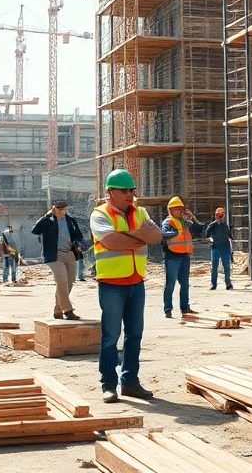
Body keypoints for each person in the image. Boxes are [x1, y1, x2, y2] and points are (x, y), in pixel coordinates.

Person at [91, 169, 161, 403]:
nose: (129, 195)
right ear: (110, 191)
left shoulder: (140, 212)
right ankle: (108, 384)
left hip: (136, 281)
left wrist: (126, 237)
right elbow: (111, 241)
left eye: (131, 190)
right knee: (110, 336)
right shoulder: (99, 215)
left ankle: (130, 382)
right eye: (123, 191)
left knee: (135, 334)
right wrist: (139, 236)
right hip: (111, 283)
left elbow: (157, 235)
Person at [32, 199, 85, 320]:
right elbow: (35, 230)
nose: (62, 211)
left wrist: (81, 243)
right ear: (54, 209)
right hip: (55, 255)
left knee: (70, 282)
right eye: (59, 209)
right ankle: (68, 310)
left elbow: (77, 234)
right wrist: (46, 216)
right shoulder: (48, 221)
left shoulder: (70, 220)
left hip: (70, 254)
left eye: (64, 209)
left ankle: (58, 309)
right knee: (62, 281)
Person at [160, 196, 204, 318]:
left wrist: (193, 218)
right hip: (172, 257)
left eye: (181, 209)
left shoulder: (185, 222)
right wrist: (175, 233)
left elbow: (199, 229)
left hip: (184, 256)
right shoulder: (168, 222)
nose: (180, 211)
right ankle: (167, 309)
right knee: (170, 284)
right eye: (177, 209)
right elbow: (164, 235)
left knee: (185, 284)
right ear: (171, 210)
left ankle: (185, 308)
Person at [203, 207, 233, 290]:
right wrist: (210, 240)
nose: (220, 217)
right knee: (214, 267)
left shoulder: (225, 225)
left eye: (221, 215)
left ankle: (228, 283)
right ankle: (213, 284)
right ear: (215, 216)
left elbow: (229, 235)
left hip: (225, 247)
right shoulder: (212, 225)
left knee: (226, 266)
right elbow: (206, 235)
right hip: (215, 247)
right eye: (218, 215)